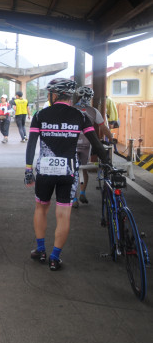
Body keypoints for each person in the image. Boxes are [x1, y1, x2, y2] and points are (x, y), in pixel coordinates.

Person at [25, 78, 110, 271]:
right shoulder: (80, 116)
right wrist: (106, 161)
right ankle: (55, 258)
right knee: (63, 214)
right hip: (69, 171)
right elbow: (95, 142)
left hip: (45, 170)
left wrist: (28, 169)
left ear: (54, 95)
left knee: (41, 208)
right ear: (68, 96)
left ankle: (40, 250)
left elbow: (31, 145)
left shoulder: (40, 115)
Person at [72, 86, 115, 208]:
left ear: (78, 96)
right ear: (90, 98)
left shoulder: (71, 109)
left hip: (72, 143)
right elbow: (103, 127)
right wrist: (111, 138)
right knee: (84, 168)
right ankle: (82, 193)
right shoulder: (94, 111)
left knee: (72, 170)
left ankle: (74, 198)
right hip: (87, 142)